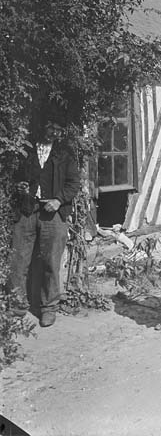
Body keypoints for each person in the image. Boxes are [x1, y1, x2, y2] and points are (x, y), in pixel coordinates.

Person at [9, 114, 80, 327]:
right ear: (43, 126)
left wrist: (59, 200)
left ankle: (48, 308)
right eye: (52, 129)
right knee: (19, 259)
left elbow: (73, 183)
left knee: (50, 261)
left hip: (53, 213)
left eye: (59, 130)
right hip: (28, 210)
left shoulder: (65, 153)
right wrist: (20, 187)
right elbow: (15, 177)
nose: (55, 134)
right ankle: (17, 306)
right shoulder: (27, 150)